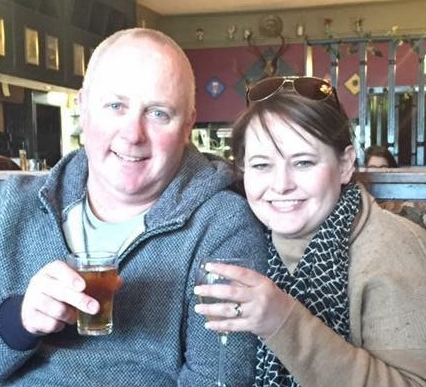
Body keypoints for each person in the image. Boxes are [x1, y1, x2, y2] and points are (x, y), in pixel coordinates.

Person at [0, 28, 267, 386]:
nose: (133, 134)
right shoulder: (10, 204)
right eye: (115, 106)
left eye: (158, 113)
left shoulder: (222, 227)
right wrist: (18, 322)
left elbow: (219, 379)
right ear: (83, 106)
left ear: (188, 124)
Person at [194, 76, 426, 386]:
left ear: (344, 165)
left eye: (303, 163)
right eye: (262, 165)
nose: (281, 185)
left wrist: (282, 320)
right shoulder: (245, 237)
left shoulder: (395, 249)